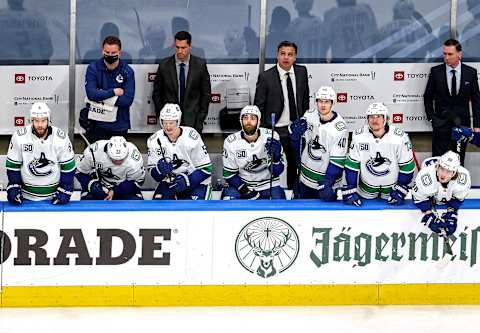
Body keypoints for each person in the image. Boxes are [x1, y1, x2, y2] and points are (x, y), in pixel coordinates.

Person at [254, 41, 309, 193]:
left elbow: (304, 99)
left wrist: (303, 121)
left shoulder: (302, 72)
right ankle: (275, 193)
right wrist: (263, 131)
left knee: (295, 163)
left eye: (290, 54)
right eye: (283, 54)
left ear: (295, 57)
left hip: (295, 129)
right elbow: (258, 105)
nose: (286, 57)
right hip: (276, 129)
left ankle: (293, 192)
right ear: (277, 55)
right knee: (275, 164)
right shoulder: (266, 77)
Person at [342, 102, 415, 206]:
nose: (374, 120)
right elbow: (352, 165)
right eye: (371, 116)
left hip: (391, 190)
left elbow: (407, 166)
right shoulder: (359, 136)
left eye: (378, 116)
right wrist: (351, 188)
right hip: (365, 190)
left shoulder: (399, 138)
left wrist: (400, 189)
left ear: (385, 118)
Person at [6, 102, 75, 205]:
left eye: (43, 121)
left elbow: (68, 167)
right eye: (36, 121)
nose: (40, 125)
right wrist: (14, 187)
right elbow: (13, 166)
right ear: (31, 120)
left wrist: (65, 190)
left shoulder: (61, 138)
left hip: (54, 197)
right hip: (26, 197)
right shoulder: (19, 137)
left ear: (49, 120)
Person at [424, 39, 480, 165]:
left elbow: (476, 100)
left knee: (458, 162)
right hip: (440, 125)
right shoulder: (436, 72)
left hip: (462, 126)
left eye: (450, 54)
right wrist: (432, 118)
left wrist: (477, 126)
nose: (446, 57)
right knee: (438, 162)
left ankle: (456, 185)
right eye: (444, 54)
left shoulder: (470, 73)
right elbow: (427, 97)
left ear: (459, 54)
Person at [289, 86, 348, 200]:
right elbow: (300, 141)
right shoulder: (309, 115)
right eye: (320, 101)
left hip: (324, 182)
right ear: (316, 102)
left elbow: (337, 160)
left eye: (327, 102)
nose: (323, 105)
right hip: (305, 177)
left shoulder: (340, 128)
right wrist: (295, 135)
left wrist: (328, 180)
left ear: (332, 103)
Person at [147, 103, 212, 200]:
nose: (168, 127)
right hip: (170, 183)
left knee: (196, 211)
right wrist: (159, 170)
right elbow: (154, 173)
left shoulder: (192, 137)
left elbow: (206, 169)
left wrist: (187, 181)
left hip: (196, 183)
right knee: (158, 208)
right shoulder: (154, 140)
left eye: (171, 123)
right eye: (165, 123)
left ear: (178, 121)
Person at [152, 31, 211, 134]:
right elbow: (157, 93)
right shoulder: (164, 65)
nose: (179, 51)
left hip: (193, 122)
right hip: (170, 122)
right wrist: (162, 116)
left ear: (189, 46)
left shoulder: (200, 65)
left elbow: (206, 94)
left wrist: (200, 119)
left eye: (183, 48)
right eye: (177, 47)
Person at [222, 105, 285, 200]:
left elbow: (277, 171)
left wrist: (276, 159)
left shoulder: (272, 136)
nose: (248, 121)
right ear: (240, 121)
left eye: (253, 118)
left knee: (279, 206)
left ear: (259, 122)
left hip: (268, 184)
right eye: (245, 118)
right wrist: (245, 190)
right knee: (228, 200)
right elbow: (228, 174)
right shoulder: (230, 142)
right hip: (242, 184)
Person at [81, 35, 135, 143]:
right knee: (94, 159)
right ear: (102, 51)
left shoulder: (128, 71)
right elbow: (91, 94)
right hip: (96, 125)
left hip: (119, 126)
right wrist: (113, 92)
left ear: (119, 53)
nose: (110, 55)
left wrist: (101, 95)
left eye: (113, 53)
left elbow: (127, 100)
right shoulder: (93, 68)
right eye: (107, 52)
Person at [412, 151, 471, 236]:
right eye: (442, 169)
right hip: (431, 189)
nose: (443, 174)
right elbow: (418, 199)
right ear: (437, 167)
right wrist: (429, 215)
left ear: (454, 172)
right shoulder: (425, 177)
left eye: (448, 171)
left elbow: (457, 199)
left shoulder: (463, 178)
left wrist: (452, 214)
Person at [76, 136, 145, 200]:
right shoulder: (94, 151)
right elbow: (78, 170)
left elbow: (137, 182)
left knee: (136, 203)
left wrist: (115, 191)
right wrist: (92, 185)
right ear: (107, 153)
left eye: (121, 159)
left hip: (124, 188)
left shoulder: (134, 160)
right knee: (87, 203)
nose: (118, 162)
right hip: (98, 184)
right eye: (114, 159)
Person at [0, 0, 53, 64]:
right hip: (33, 65)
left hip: (8, 65)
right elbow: (47, 48)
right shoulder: (37, 17)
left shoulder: (2, 16)